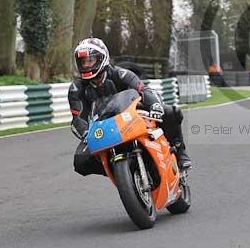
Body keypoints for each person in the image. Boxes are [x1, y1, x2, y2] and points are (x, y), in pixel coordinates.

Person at [68, 37, 192, 172]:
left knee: (170, 112)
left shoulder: (120, 74)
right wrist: (86, 133)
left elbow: (144, 90)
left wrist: (155, 105)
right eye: (83, 62)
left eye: (90, 60)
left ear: (101, 58)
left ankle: (180, 152)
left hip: (132, 118)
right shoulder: (76, 88)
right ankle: (118, 170)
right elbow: (77, 118)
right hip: (103, 129)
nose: (86, 65)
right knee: (80, 161)